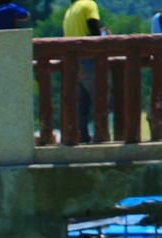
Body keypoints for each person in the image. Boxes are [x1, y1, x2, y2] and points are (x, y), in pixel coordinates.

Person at [63, 0, 105, 144]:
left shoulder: (70, 10)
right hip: (88, 58)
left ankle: (82, 138)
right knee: (99, 98)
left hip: (73, 62)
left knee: (81, 105)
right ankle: (101, 136)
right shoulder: (89, 4)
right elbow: (93, 30)